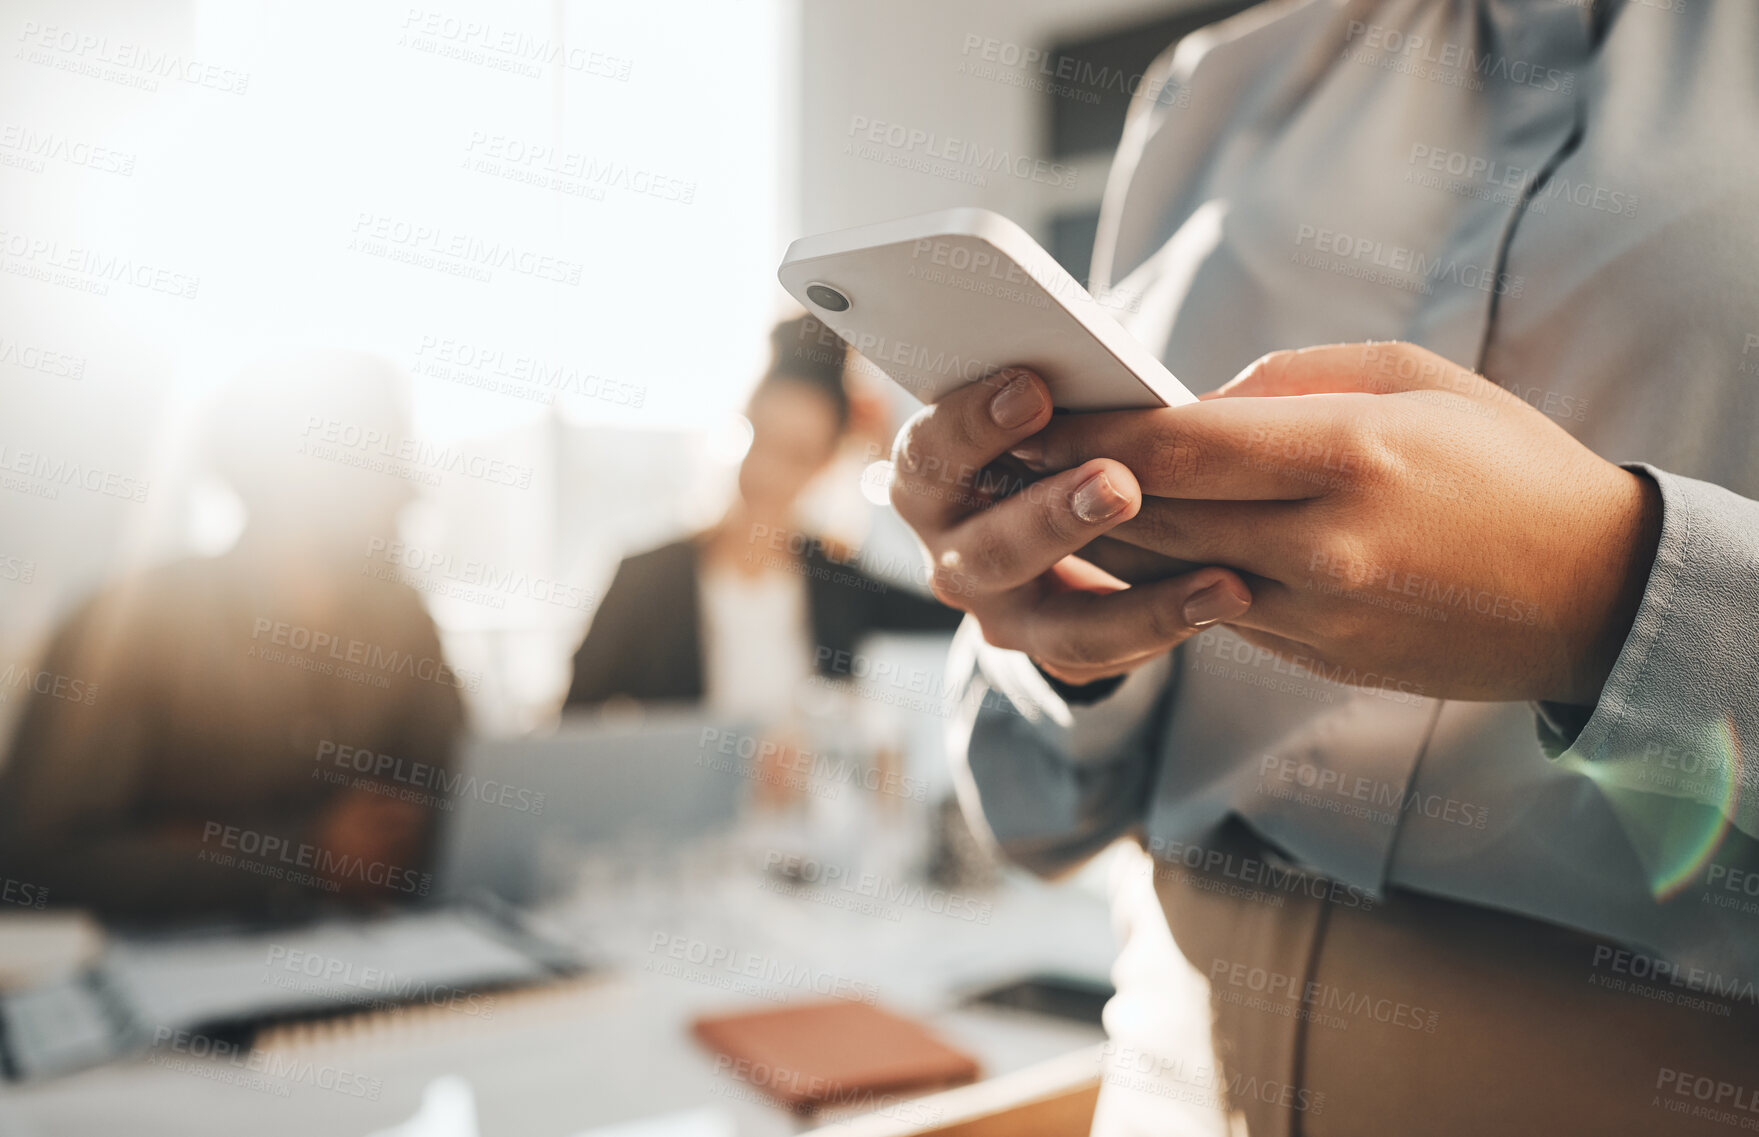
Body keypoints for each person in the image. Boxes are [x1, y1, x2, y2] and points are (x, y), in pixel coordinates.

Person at [890, 2, 1759, 1134]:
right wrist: (1055, 641)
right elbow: (1029, 810)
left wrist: (1616, 599)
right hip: (1169, 1070)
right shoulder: (1208, 86)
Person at [0, 351, 465, 925]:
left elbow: (467, 792)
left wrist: (197, 842)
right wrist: (303, 858)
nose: (410, 492)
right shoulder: (124, 628)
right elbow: (33, 863)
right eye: (381, 459)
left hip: (390, 965)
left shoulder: (403, 621)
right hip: (163, 985)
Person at [567, 315, 959, 721]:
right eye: (763, 437)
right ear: (745, 421)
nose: (767, 471)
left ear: (823, 465)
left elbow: (954, 606)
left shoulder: (837, 582)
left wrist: (899, 469)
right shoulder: (644, 579)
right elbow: (568, 732)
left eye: (795, 454)